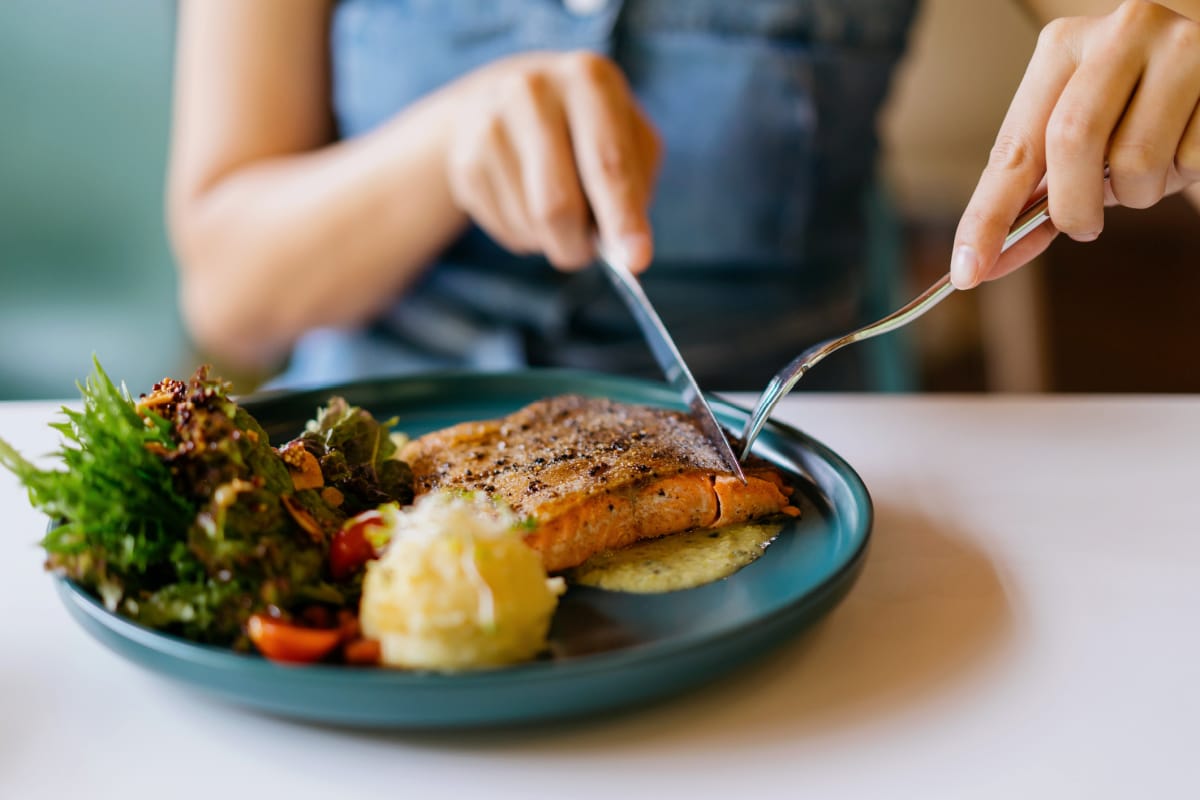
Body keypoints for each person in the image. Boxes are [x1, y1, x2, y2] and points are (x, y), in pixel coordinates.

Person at [167, 0, 1200, 391]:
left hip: (787, 490)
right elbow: (227, 285)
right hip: (367, 477)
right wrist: (438, 152)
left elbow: (1151, 31)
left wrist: (1176, 61)